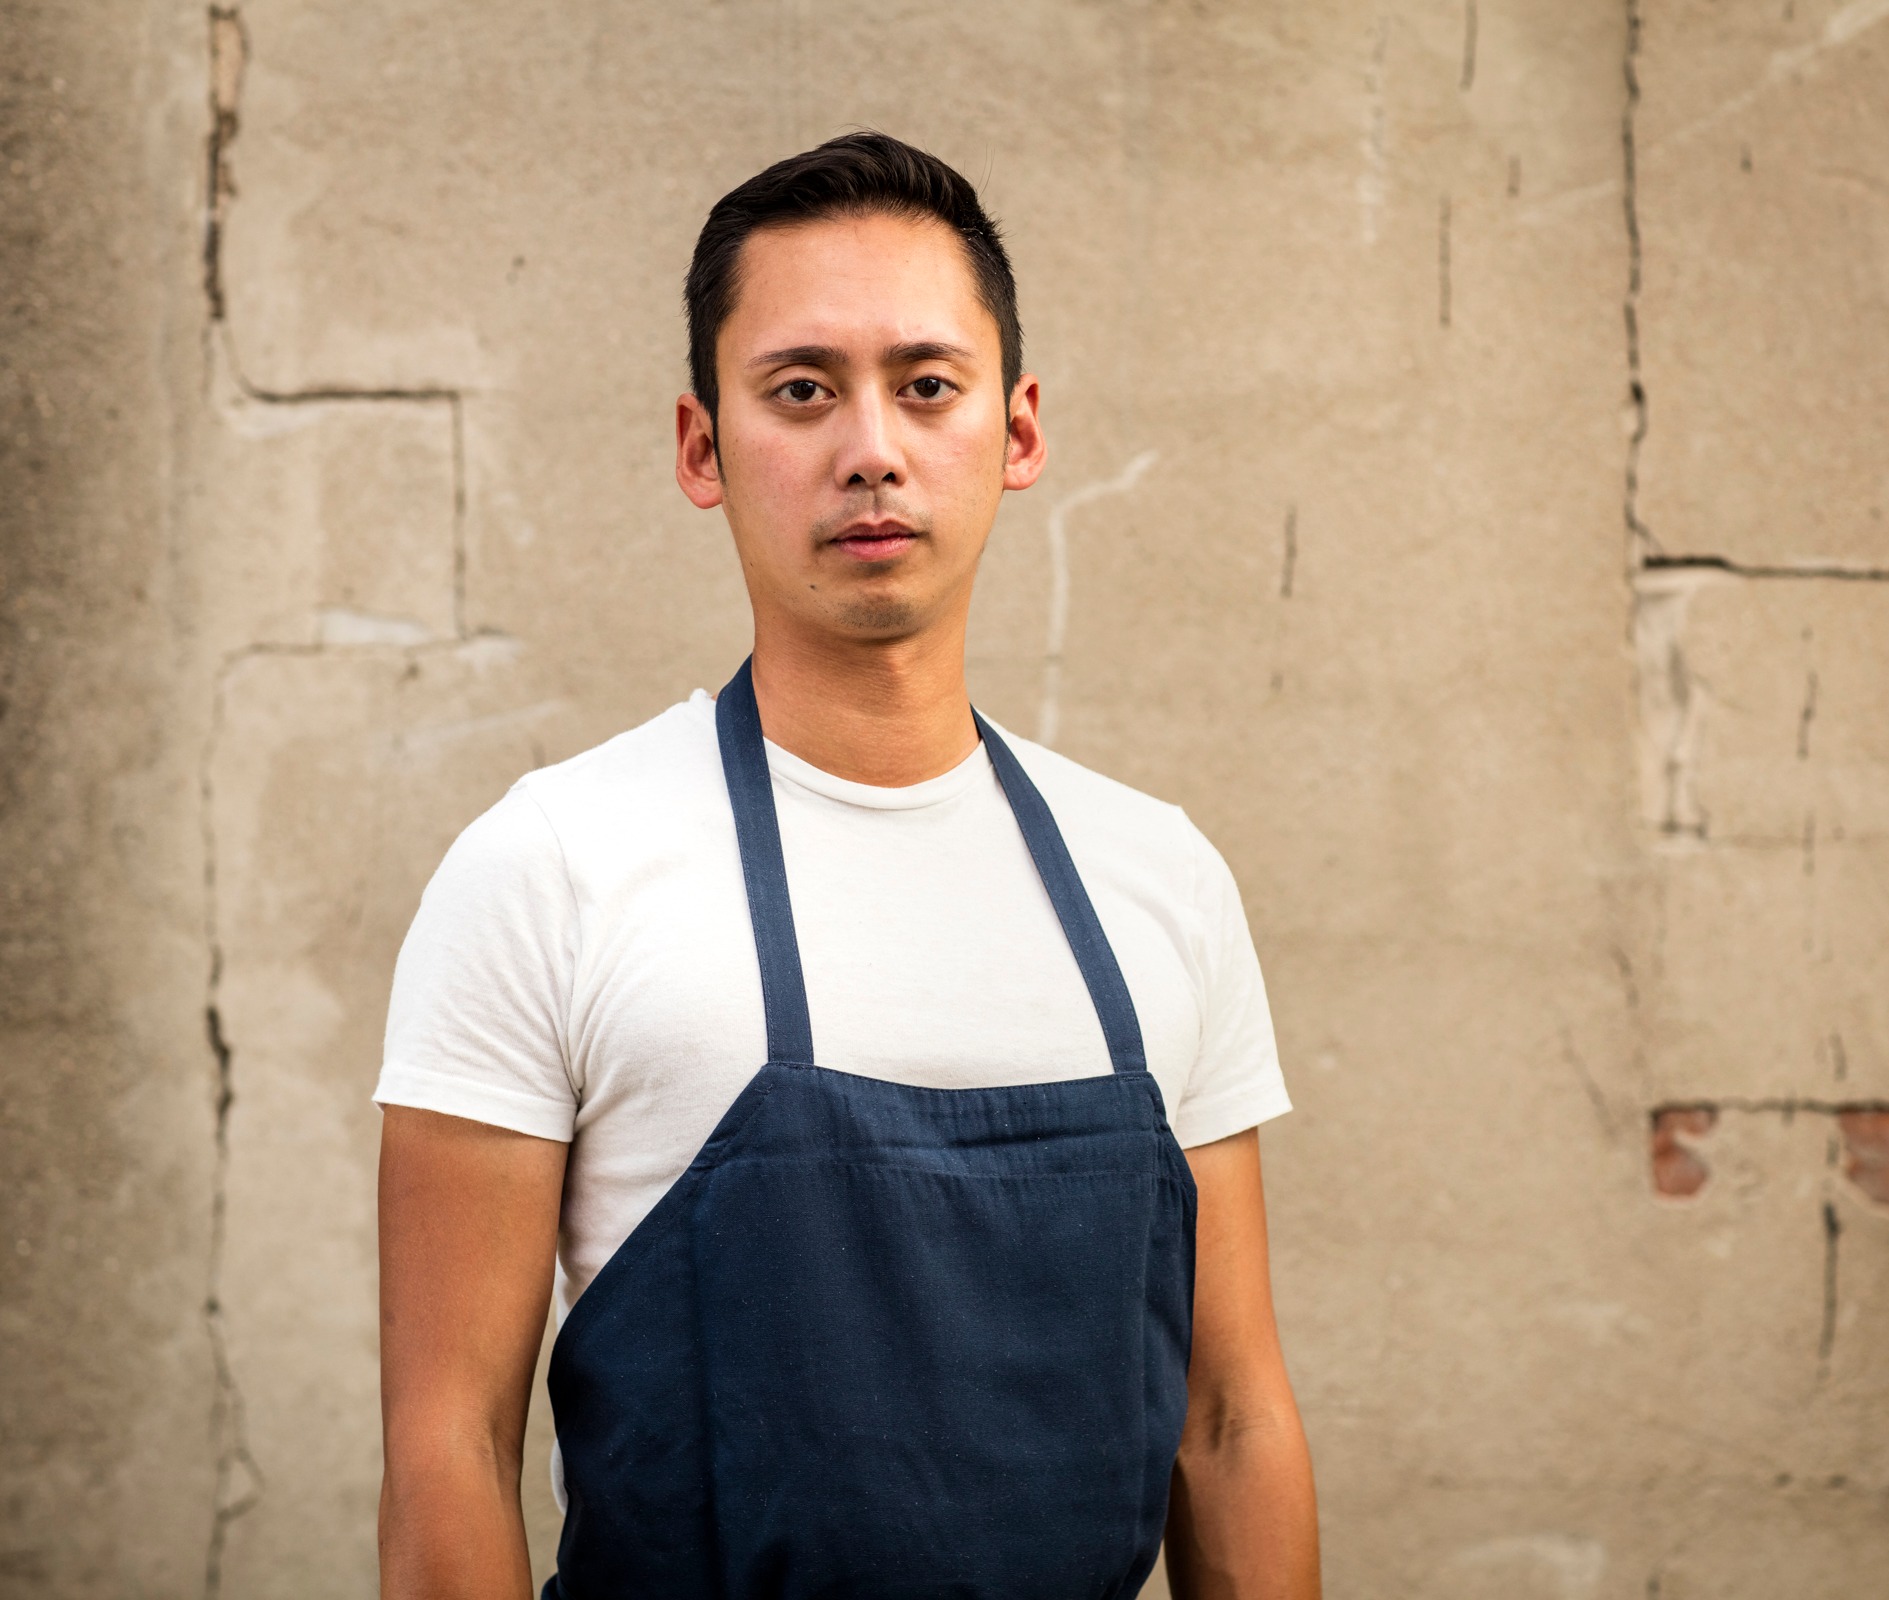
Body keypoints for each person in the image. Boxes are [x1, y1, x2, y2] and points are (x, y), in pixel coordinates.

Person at [375, 131, 1318, 1600]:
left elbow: (1229, 1422)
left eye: (925, 385)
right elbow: (449, 1438)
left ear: (1016, 431)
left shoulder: (1162, 879)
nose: (870, 445)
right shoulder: (549, 868)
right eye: (802, 389)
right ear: (703, 445)